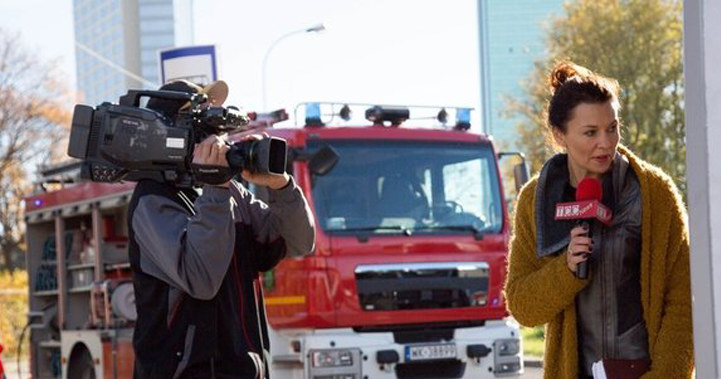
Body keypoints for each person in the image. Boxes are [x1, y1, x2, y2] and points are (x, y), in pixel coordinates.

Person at [504, 61, 693, 378]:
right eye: (590, 132)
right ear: (559, 135)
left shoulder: (655, 194)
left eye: (613, 128)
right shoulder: (535, 200)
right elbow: (523, 306)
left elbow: (683, 301)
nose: (606, 142)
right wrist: (565, 269)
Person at [127, 80, 315, 378]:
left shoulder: (230, 193)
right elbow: (201, 278)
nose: (214, 135)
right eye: (200, 121)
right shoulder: (153, 199)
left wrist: (281, 187)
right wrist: (215, 189)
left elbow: (300, 242)